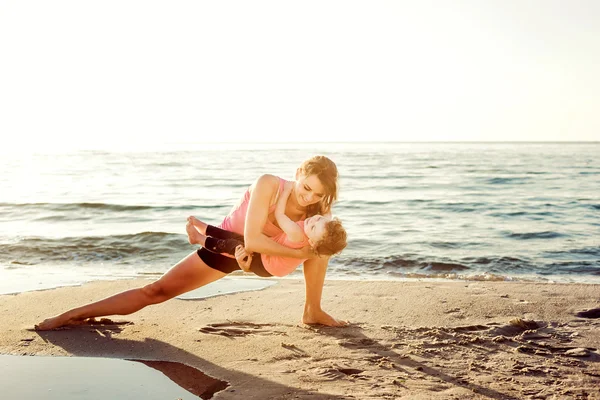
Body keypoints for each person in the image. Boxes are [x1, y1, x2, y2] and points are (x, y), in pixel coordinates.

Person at [35, 155, 348, 330]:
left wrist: (310, 249)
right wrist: (303, 249)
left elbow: (321, 247)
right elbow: (252, 239)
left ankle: (313, 310)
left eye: (317, 195)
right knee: (156, 292)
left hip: (267, 259)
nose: (309, 198)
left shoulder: (318, 211)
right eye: (306, 188)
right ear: (297, 173)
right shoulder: (269, 184)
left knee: (323, 243)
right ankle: (71, 315)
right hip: (229, 246)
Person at [186, 180, 347, 277]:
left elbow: (280, 215)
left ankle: (199, 239)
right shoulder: (319, 234)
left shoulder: (297, 233)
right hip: (269, 263)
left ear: (312, 242)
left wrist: (285, 192)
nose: (311, 220)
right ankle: (204, 228)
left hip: (263, 265)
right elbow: (327, 217)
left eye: (312, 227)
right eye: (317, 219)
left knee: (233, 245)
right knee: (233, 236)